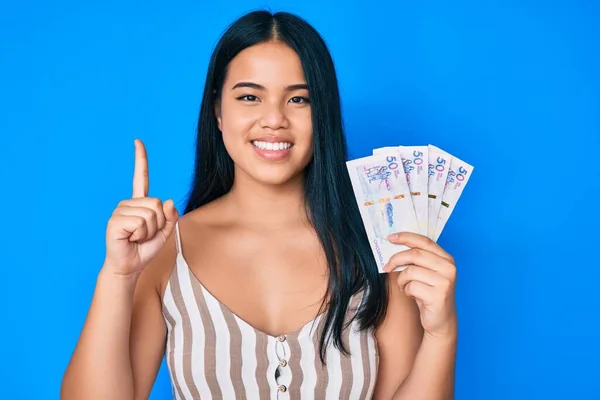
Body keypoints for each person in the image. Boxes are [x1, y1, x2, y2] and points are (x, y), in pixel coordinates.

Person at [61, 9, 458, 400]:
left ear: (324, 114)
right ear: (218, 110)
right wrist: (117, 275)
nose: (274, 119)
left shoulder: (380, 248)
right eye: (250, 96)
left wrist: (441, 334)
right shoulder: (165, 251)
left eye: (299, 99)